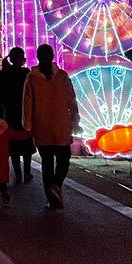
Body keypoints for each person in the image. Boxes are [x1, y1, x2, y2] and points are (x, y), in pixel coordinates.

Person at [23, 44, 80, 210]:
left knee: (47, 163)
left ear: (38, 57)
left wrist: (28, 124)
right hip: (61, 125)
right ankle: (56, 185)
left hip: (42, 126)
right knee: (64, 159)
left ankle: (51, 198)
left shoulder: (32, 78)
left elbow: (27, 103)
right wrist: (74, 120)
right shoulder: (62, 76)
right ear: (53, 56)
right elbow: (72, 100)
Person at [0, 46, 35, 183]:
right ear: (19, 59)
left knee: (14, 147)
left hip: (10, 114)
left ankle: (18, 175)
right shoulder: (25, 73)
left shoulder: (5, 73)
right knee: (26, 145)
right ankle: (27, 173)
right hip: (24, 112)